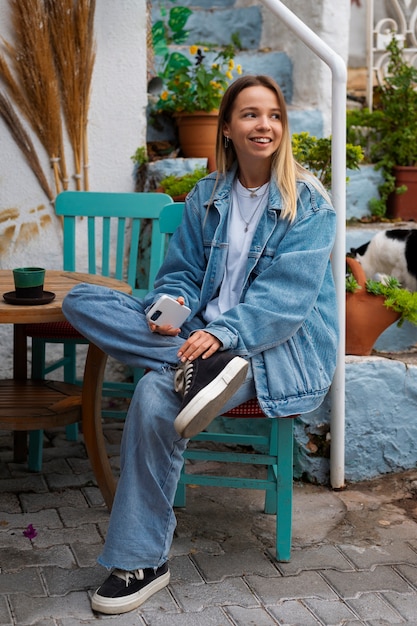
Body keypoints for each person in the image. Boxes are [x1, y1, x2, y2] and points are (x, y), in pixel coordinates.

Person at [62, 74, 339, 615]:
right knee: (82, 301)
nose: (264, 125)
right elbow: (182, 273)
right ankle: (206, 365)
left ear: (282, 127)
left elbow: (285, 304)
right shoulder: (207, 196)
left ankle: (139, 561)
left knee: (150, 396)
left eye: (274, 115)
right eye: (251, 115)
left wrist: (223, 334)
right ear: (228, 129)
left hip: (267, 350)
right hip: (197, 345)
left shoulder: (307, 204)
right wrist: (175, 307)